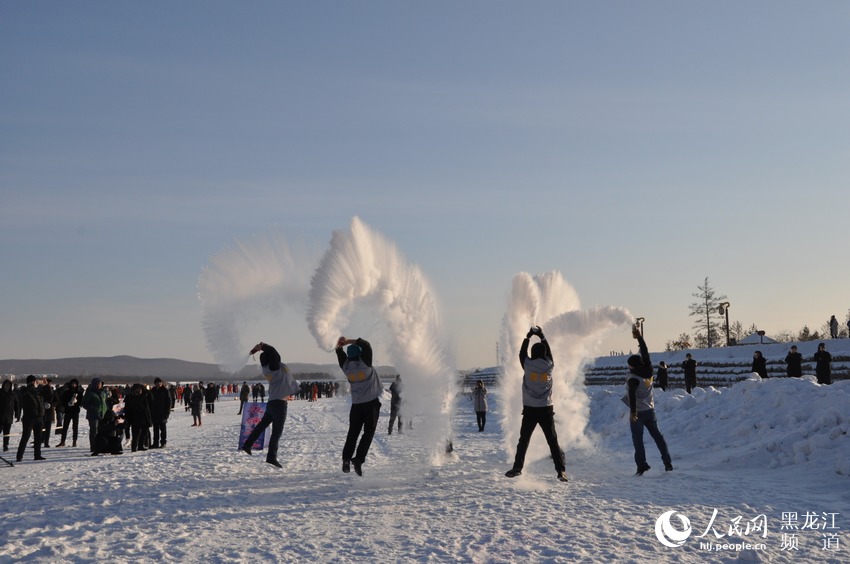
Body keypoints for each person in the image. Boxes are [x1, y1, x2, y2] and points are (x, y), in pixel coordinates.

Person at [505, 326, 568, 483]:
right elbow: (550, 354)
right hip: (546, 409)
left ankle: (517, 468)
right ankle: (561, 471)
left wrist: (527, 337)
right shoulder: (549, 365)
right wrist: (542, 336)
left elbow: (521, 354)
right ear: (545, 354)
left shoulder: (527, 365)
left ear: (532, 354)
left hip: (530, 410)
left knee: (524, 440)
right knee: (553, 441)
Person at [240, 341, 300, 468]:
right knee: (277, 432)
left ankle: (247, 444)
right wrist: (263, 347)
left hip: (272, 402)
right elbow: (274, 353)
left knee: (261, 426)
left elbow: (273, 355)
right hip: (280, 403)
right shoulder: (275, 368)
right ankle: (271, 457)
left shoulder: (266, 368)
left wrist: (262, 347)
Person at [626, 324, 673, 476]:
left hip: (638, 412)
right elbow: (645, 352)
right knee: (658, 436)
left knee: (638, 441)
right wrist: (639, 337)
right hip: (650, 409)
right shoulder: (649, 369)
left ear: (632, 366)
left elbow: (632, 395)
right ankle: (667, 462)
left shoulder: (633, 378)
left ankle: (642, 465)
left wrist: (632, 412)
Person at [335, 336, 383, 476]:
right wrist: (348, 341)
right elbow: (366, 344)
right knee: (368, 433)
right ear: (360, 354)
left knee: (353, 433)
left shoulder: (345, 366)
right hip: (370, 404)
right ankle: (358, 459)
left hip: (356, 405)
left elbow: (339, 352)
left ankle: (346, 459)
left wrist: (339, 345)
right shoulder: (365, 363)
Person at [16, 375, 46, 463]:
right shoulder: (24, 390)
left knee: (38, 438)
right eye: (35, 381)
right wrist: (32, 385)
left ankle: (37, 455)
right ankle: (19, 456)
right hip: (29, 417)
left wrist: (46, 385)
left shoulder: (37, 391)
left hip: (39, 417)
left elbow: (49, 393)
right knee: (25, 437)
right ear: (32, 382)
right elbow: (25, 392)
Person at [82, 378, 109, 454]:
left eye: (100, 384)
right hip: (93, 415)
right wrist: (92, 408)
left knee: (101, 431)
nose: (99, 385)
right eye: (97, 384)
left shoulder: (103, 392)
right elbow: (84, 403)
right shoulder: (90, 393)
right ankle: (93, 447)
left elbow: (105, 402)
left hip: (102, 414)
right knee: (94, 431)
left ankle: (100, 446)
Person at [57, 379, 82, 447]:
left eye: (75, 384)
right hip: (68, 411)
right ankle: (63, 441)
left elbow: (81, 402)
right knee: (65, 427)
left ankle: (74, 441)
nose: (74, 385)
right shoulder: (66, 392)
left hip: (75, 411)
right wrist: (67, 404)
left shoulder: (79, 393)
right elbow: (62, 401)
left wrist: (76, 402)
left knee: (75, 427)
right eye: (72, 384)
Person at [150, 378, 171, 448]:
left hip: (163, 413)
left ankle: (163, 442)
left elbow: (169, 402)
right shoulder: (152, 391)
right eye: (157, 383)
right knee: (155, 429)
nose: (159, 384)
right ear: (155, 384)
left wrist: (167, 413)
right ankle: (155, 443)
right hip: (154, 413)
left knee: (163, 429)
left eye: (160, 383)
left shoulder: (165, 391)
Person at [0, 379, 19, 452]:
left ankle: (5, 445)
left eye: (8, 385)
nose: (7, 386)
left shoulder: (13, 394)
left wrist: (17, 414)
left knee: (7, 432)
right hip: (0, 415)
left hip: (9, 416)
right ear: (3, 385)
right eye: (5, 385)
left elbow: (17, 405)